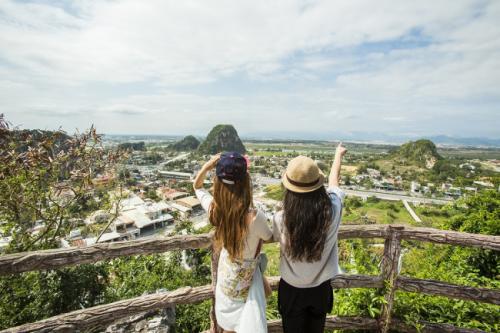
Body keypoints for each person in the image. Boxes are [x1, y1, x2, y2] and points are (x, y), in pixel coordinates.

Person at [193, 152, 272, 333]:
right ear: (245, 182)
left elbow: (197, 187)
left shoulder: (215, 210)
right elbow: (268, 236)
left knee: (228, 327)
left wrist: (207, 165)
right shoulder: (255, 218)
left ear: (218, 183)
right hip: (245, 286)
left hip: (226, 281)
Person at [272, 143, 347, 333]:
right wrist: (338, 155)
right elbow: (334, 183)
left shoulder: (281, 218)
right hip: (320, 289)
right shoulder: (333, 210)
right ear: (317, 184)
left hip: (291, 290)